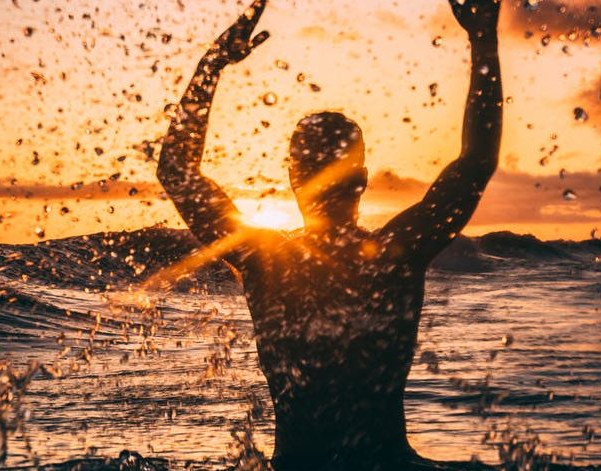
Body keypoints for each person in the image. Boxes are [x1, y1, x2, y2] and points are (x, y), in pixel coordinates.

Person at [157, 0, 502, 469]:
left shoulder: (266, 262)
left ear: (293, 177)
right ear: (363, 178)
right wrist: (483, 40)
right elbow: (475, 164)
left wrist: (212, 65)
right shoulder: (394, 254)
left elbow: (176, 170)